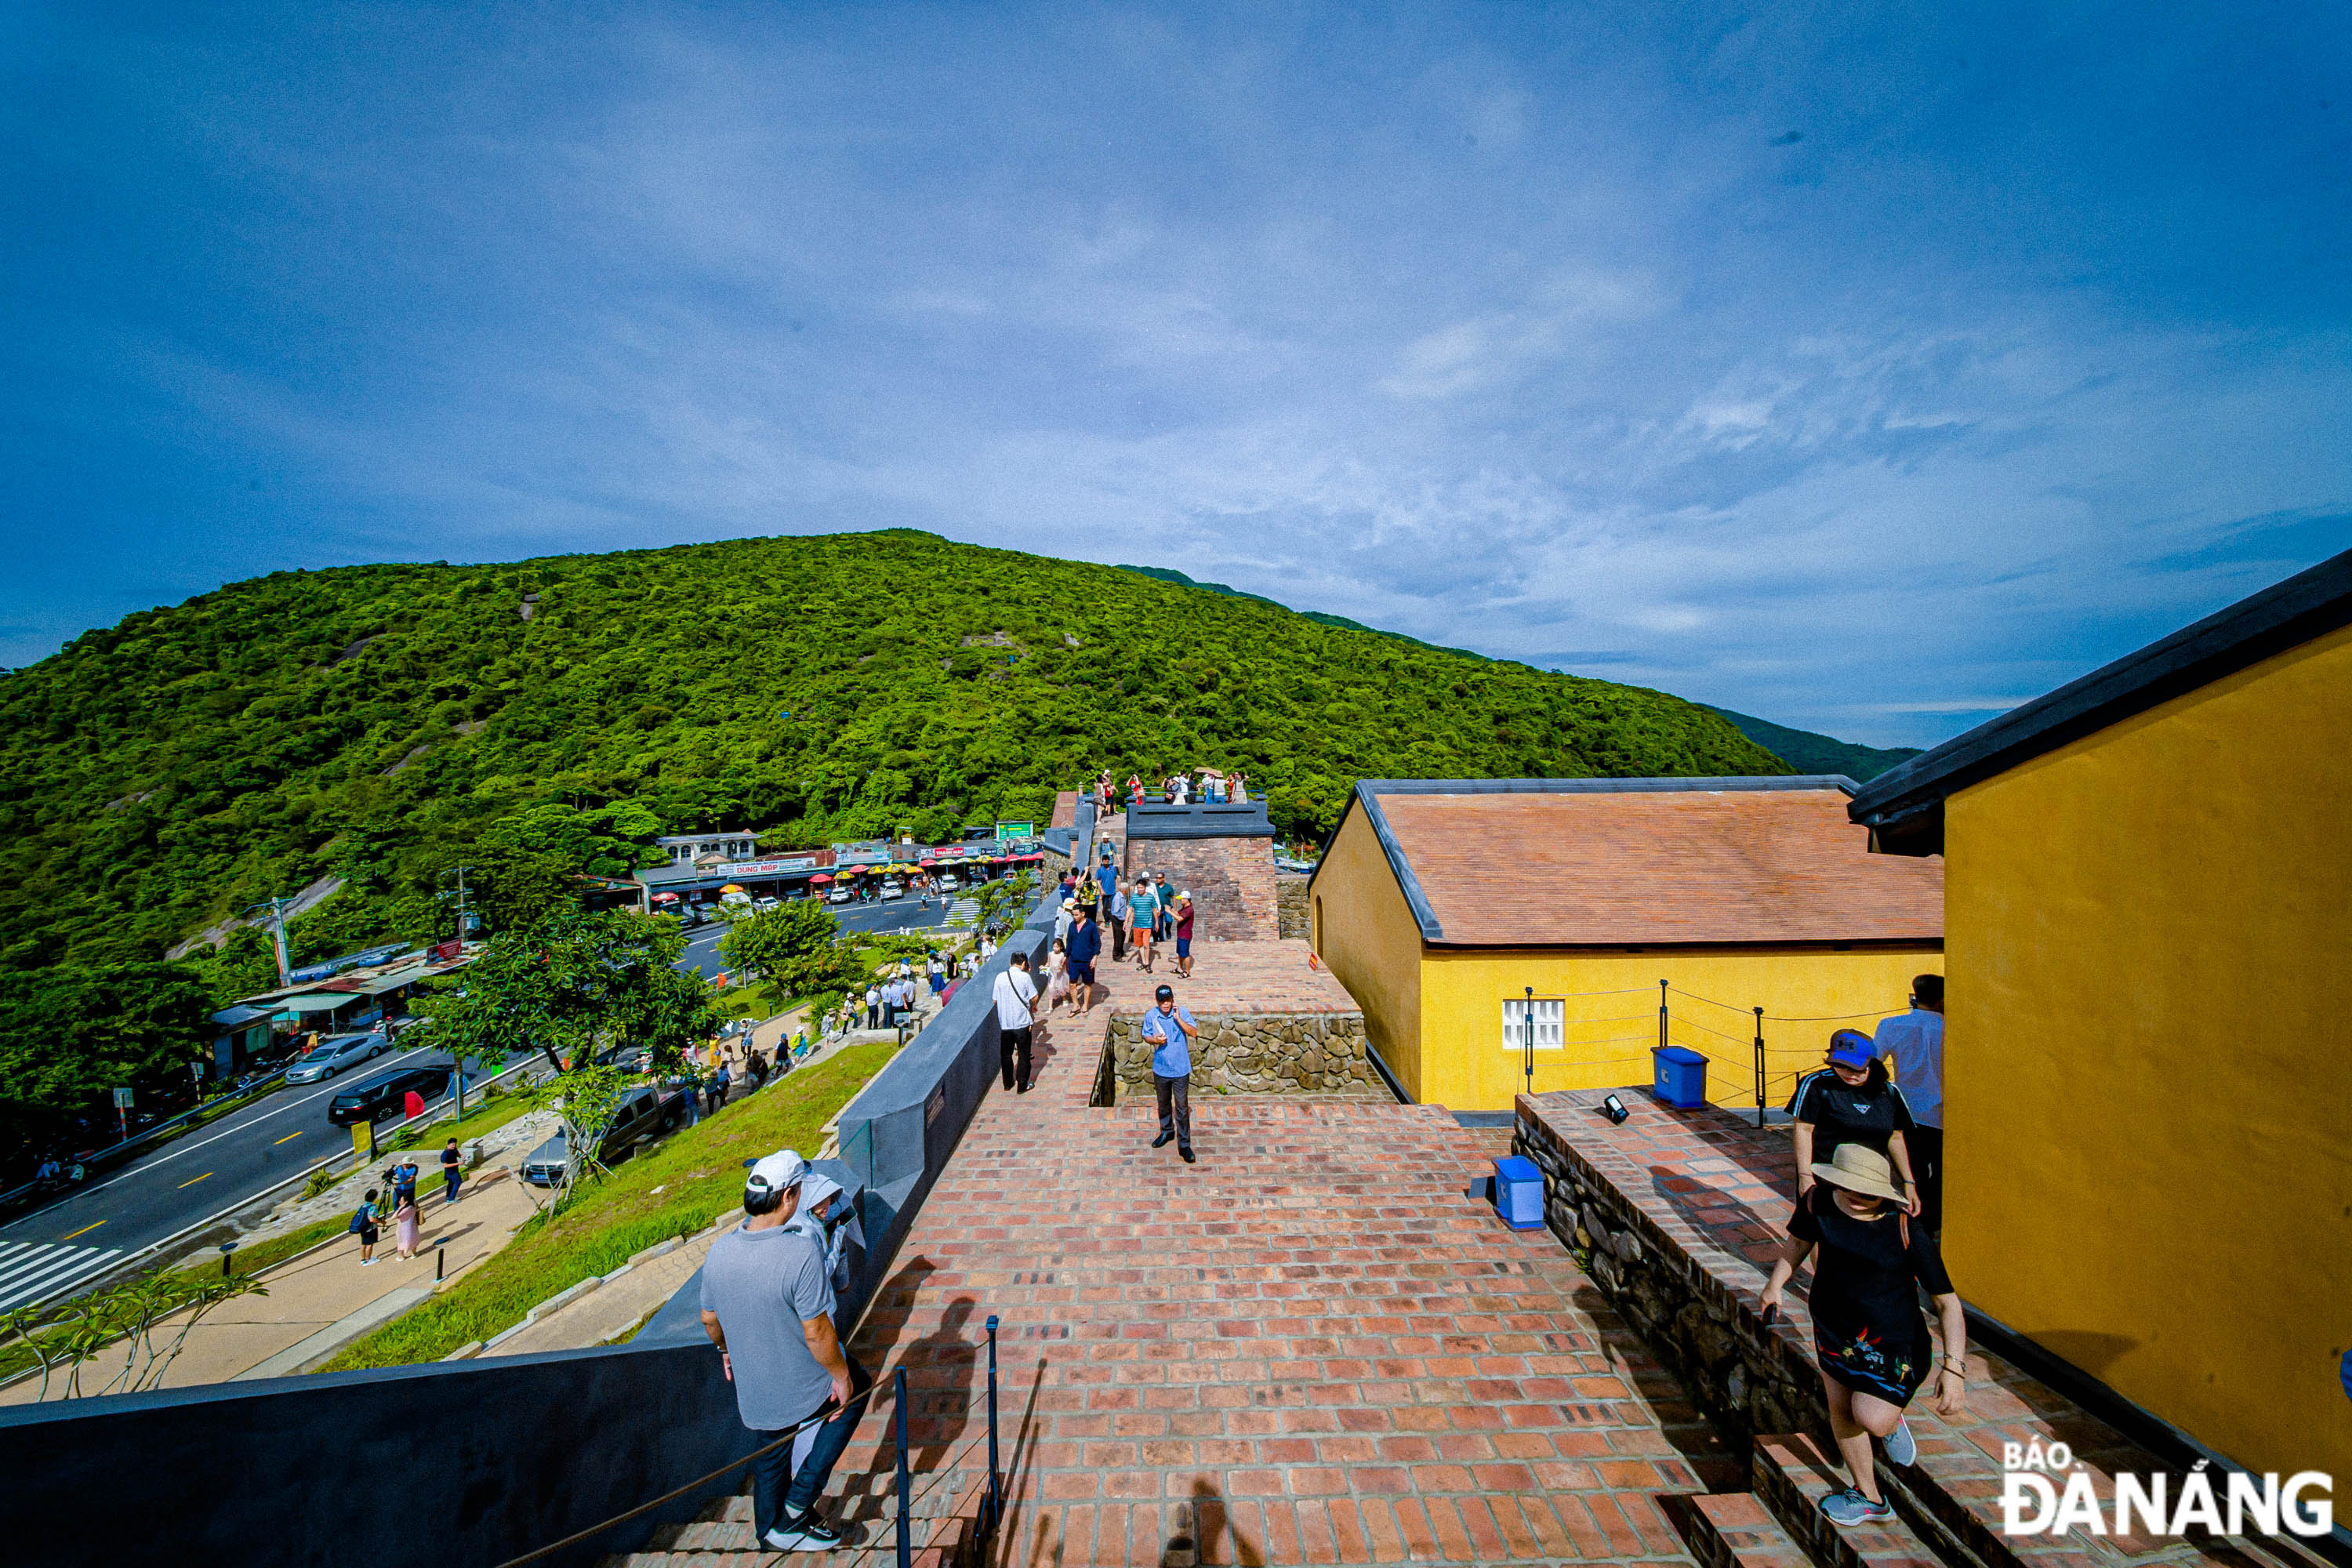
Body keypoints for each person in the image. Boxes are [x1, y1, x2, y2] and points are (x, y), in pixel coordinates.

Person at [1759, 1143, 1969, 1528]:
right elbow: (1798, 1243)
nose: (1858, 1198)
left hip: (1895, 1345)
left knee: (1871, 1417)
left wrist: (1953, 1368)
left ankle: (1891, 1421)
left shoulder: (1904, 1227)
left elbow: (1947, 1304)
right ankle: (1870, 1497)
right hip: (1834, 1331)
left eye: (1869, 1193)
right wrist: (1775, 1286)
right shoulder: (1817, 1202)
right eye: (1850, 1188)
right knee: (1841, 1410)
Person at [699, 1151, 872, 1552]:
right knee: (856, 1389)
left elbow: (709, 1319)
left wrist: (726, 1350)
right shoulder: (799, 1253)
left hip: (754, 1385)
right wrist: (841, 1376)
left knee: (772, 1448)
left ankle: (770, 1531)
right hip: (800, 1384)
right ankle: (797, 1504)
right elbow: (816, 1331)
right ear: (791, 1196)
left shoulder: (720, 1251)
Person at [1789, 1031, 1922, 1215]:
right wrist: (1805, 1177)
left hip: (1871, 1183)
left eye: (1855, 1068)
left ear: (1872, 1064)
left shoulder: (1890, 1093)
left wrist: (1909, 1182)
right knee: (1817, 1236)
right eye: (1839, 1066)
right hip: (1827, 1177)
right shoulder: (1817, 1085)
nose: (1847, 1073)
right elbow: (1803, 1130)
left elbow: (1896, 1137)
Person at [1874, 975, 1947, 1232]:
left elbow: (1874, 1063)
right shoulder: (1952, 1028)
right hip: (1944, 1115)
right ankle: (1933, 1224)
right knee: (1942, 1176)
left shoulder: (1891, 1025)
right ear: (1942, 1000)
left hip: (1907, 1110)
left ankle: (1914, 1224)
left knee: (1912, 1174)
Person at [1142, 983, 1197, 1163]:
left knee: (1181, 1107)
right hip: (1161, 1068)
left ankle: (1184, 1144)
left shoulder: (1182, 1012)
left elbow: (1194, 1032)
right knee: (1163, 1104)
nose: (1165, 1004)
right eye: (1162, 1001)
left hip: (1181, 1069)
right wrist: (1154, 1040)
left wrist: (1179, 1019)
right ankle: (1166, 1132)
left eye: (1168, 1000)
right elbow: (1146, 1036)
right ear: (1157, 1001)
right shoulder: (1151, 1015)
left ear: (1173, 999)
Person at [992, 950, 1040, 1094]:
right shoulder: (1025, 977)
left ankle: (1008, 1083)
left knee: (1006, 1055)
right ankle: (1022, 1085)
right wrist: (1033, 1005)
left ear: (1011, 962)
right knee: (1024, 1055)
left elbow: (994, 999)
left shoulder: (1000, 977)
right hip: (1022, 1023)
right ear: (1024, 963)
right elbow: (1035, 996)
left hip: (1005, 1024)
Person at [1066, 904, 1102, 1017]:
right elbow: (1069, 941)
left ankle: (1085, 1004)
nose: (1075, 917)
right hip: (1074, 959)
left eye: (1077, 915)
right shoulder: (1071, 926)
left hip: (1087, 959)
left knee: (1087, 984)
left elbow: (1097, 942)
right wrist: (1065, 956)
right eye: (1073, 915)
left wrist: (1095, 956)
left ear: (1083, 914)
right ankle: (1076, 1005)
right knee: (1072, 984)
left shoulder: (1091, 926)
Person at [1127, 878, 1160, 972]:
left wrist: (1157, 922)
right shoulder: (1134, 897)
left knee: (1146, 945)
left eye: (1141, 887)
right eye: (1138, 888)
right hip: (1137, 925)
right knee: (1140, 945)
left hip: (1147, 925)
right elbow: (1130, 909)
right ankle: (1144, 963)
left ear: (1145, 887)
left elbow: (1154, 909)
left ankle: (1147, 963)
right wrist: (1126, 921)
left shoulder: (1150, 897)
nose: (1140, 889)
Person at [350, 1188, 381, 1265]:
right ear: (374, 1198)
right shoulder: (373, 1207)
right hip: (370, 1228)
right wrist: (381, 1222)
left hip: (363, 1228)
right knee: (370, 1244)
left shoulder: (362, 1207)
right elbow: (372, 1219)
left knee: (364, 1244)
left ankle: (363, 1259)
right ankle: (368, 1260)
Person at [1044, 938, 1072, 1014]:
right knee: (1051, 988)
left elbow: (1064, 966)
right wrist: (1044, 967)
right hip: (1053, 975)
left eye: (1057, 947)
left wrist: (1060, 967)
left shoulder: (1062, 955)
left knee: (1061, 988)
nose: (1055, 948)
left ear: (1061, 947)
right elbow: (1048, 963)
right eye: (1054, 947)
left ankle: (1064, 999)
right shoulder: (1050, 954)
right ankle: (1050, 1007)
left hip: (1060, 975)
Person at [394, 1188, 421, 1261]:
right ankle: (413, 1254)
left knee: (401, 1242)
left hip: (402, 1228)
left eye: (401, 1201)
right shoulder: (413, 1205)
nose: (400, 1202)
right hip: (412, 1226)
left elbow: (393, 1217)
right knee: (413, 1240)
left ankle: (401, 1256)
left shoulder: (405, 1209)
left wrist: (400, 1207)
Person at [1172, 893, 1196, 979]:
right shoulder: (1184, 908)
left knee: (1185, 954)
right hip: (1181, 933)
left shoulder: (1189, 910)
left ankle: (1187, 971)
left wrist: (1169, 912)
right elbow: (1178, 915)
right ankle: (1180, 968)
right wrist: (1171, 910)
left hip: (1185, 935)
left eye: (1182, 899)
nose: (1180, 900)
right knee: (1180, 952)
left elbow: (1179, 918)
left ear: (1186, 899)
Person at [440, 1138, 464, 1205]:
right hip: (450, 1172)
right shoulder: (445, 1154)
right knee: (458, 1182)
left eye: (455, 1145)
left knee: (451, 1184)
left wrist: (462, 1156)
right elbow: (445, 1165)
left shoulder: (454, 1150)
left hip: (455, 1170)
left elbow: (458, 1154)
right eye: (452, 1145)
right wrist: (458, 1163)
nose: (454, 1146)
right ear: (448, 1145)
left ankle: (448, 1196)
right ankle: (451, 1199)